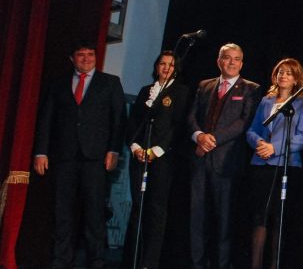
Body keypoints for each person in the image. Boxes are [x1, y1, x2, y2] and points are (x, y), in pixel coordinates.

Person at [33, 42, 126, 269]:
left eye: (90, 54)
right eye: (81, 55)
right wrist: (41, 152)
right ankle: (61, 260)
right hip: (64, 157)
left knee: (94, 212)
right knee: (62, 211)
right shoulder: (58, 83)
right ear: (72, 58)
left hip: (95, 158)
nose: (86, 58)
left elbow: (119, 120)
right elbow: (46, 119)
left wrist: (114, 150)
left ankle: (96, 260)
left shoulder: (110, 83)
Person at [188, 43, 261, 269]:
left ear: (242, 63)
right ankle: (197, 265)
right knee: (197, 220)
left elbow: (244, 122)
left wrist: (212, 139)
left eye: (237, 59)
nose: (232, 63)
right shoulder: (205, 85)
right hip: (200, 161)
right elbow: (191, 116)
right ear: (219, 61)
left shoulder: (251, 89)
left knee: (224, 223)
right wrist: (199, 136)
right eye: (227, 58)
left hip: (227, 163)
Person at [245, 58, 303, 269]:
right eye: (280, 72)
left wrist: (275, 148)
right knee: (260, 217)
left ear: (296, 79)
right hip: (261, 164)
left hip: (286, 166)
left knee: (279, 218)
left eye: (289, 73)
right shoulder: (266, 101)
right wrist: (260, 143)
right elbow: (252, 130)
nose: (283, 76)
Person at [125, 50, 191, 269]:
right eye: (162, 63)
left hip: (162, 159)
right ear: (156, 66)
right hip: (139, 156)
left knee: (156, 209)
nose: (166, 68)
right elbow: (133, 123)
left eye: (171, 65)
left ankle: (149, 263)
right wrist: (136, 147)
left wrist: (155, 150)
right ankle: (132, 260)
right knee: (138, 207)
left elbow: (176, 127)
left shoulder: (181, 92)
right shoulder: (146, 91)